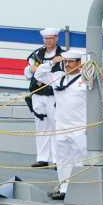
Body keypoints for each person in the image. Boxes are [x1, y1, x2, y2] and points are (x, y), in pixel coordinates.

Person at [35, 49, 93, 200]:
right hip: (61, 126)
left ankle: (80, 190)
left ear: (79, 63)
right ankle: (64, 189)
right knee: (62, 160)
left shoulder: (86, 78)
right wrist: (52, 62)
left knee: (80, 159)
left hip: (79, 126)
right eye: (65, 62)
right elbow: (38, 75)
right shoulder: (57, 77)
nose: (67, 65)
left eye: (70, 62)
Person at [24, 28, 64, 168]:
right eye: (46, 39)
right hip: (37, 94)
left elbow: (61, 75)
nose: (48, 41)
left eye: (51, 38)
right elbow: (28, 72)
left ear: (56, 38)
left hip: (53, 95)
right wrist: (31, 69)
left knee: (55, 126)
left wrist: (40, 70)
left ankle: (57, 159)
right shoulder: (37, 54)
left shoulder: (63, 55)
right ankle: (42, 158)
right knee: (41, 126)